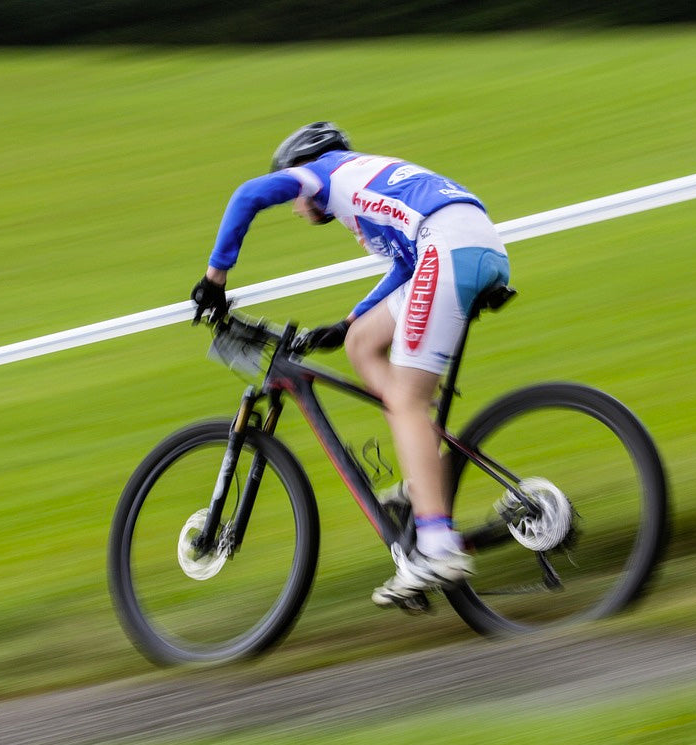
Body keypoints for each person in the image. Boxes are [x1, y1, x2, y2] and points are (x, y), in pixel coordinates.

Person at [191, 122, 510, 611]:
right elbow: (406, 266)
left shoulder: (323, 174)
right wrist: (348, 322)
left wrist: (215, 278)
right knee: (363, 345)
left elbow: (247, 195)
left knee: (405, 398)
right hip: (469, 244)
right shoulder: (365, 179)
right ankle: (425, 471)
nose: (298, 207)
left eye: (296, 195)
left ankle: (436, 547)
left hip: (448, 249)